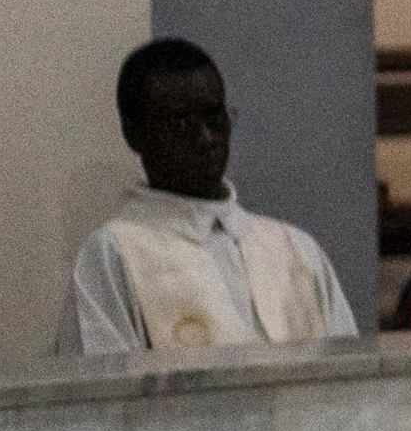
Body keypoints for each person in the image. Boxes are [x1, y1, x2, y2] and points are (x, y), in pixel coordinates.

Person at [58, 39, 360, 356]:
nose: (205, 138)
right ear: (134, 135)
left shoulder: (295, 249)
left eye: (214, 117)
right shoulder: (113, 255)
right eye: (181, 122)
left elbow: (346, 381)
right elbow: (102, 396)